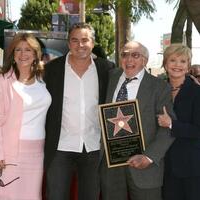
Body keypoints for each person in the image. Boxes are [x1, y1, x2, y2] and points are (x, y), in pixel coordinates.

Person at [44, 22, 114, 200]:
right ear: (68, 44)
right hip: (60, 146)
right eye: (75, 40)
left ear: (93, 42)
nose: (80, 45)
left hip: (93, 147)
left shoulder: (107, 69)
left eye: (85, 40)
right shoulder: (52, 69)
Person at [100, 41, 175, 200]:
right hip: (111, 164)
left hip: (144, 166)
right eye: (125, 54)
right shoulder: (110, 78)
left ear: (145, 60)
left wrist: (149, 157)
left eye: (135, 55)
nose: (129, 59)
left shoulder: (160, 87)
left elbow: (167, 128)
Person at [0, 33, 51, 200]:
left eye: (28, 49)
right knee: (5, 196)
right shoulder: (0, 82)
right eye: (18, 50)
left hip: (37, 154)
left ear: (36, 54)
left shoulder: (43, 80)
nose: (23, 54)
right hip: (9, 153)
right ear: (13, 55)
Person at [157, 43, 200, 200]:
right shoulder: (158, 90)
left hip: (192, 167)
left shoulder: (196, 92)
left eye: (183, 61)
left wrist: (171, 124)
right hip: (164, 166)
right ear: (165, 63)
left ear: (188, 66)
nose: (177, 65)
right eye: (173, 60)